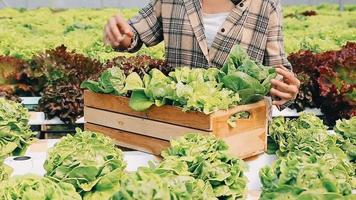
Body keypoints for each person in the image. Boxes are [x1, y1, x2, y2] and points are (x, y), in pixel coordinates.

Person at [103, 0, 300, 109]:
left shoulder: (266, 4)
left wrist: (287, 90)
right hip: (180, 120)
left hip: (239, 125)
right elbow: (135, 33)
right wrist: (121, 36)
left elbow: (277, 71)